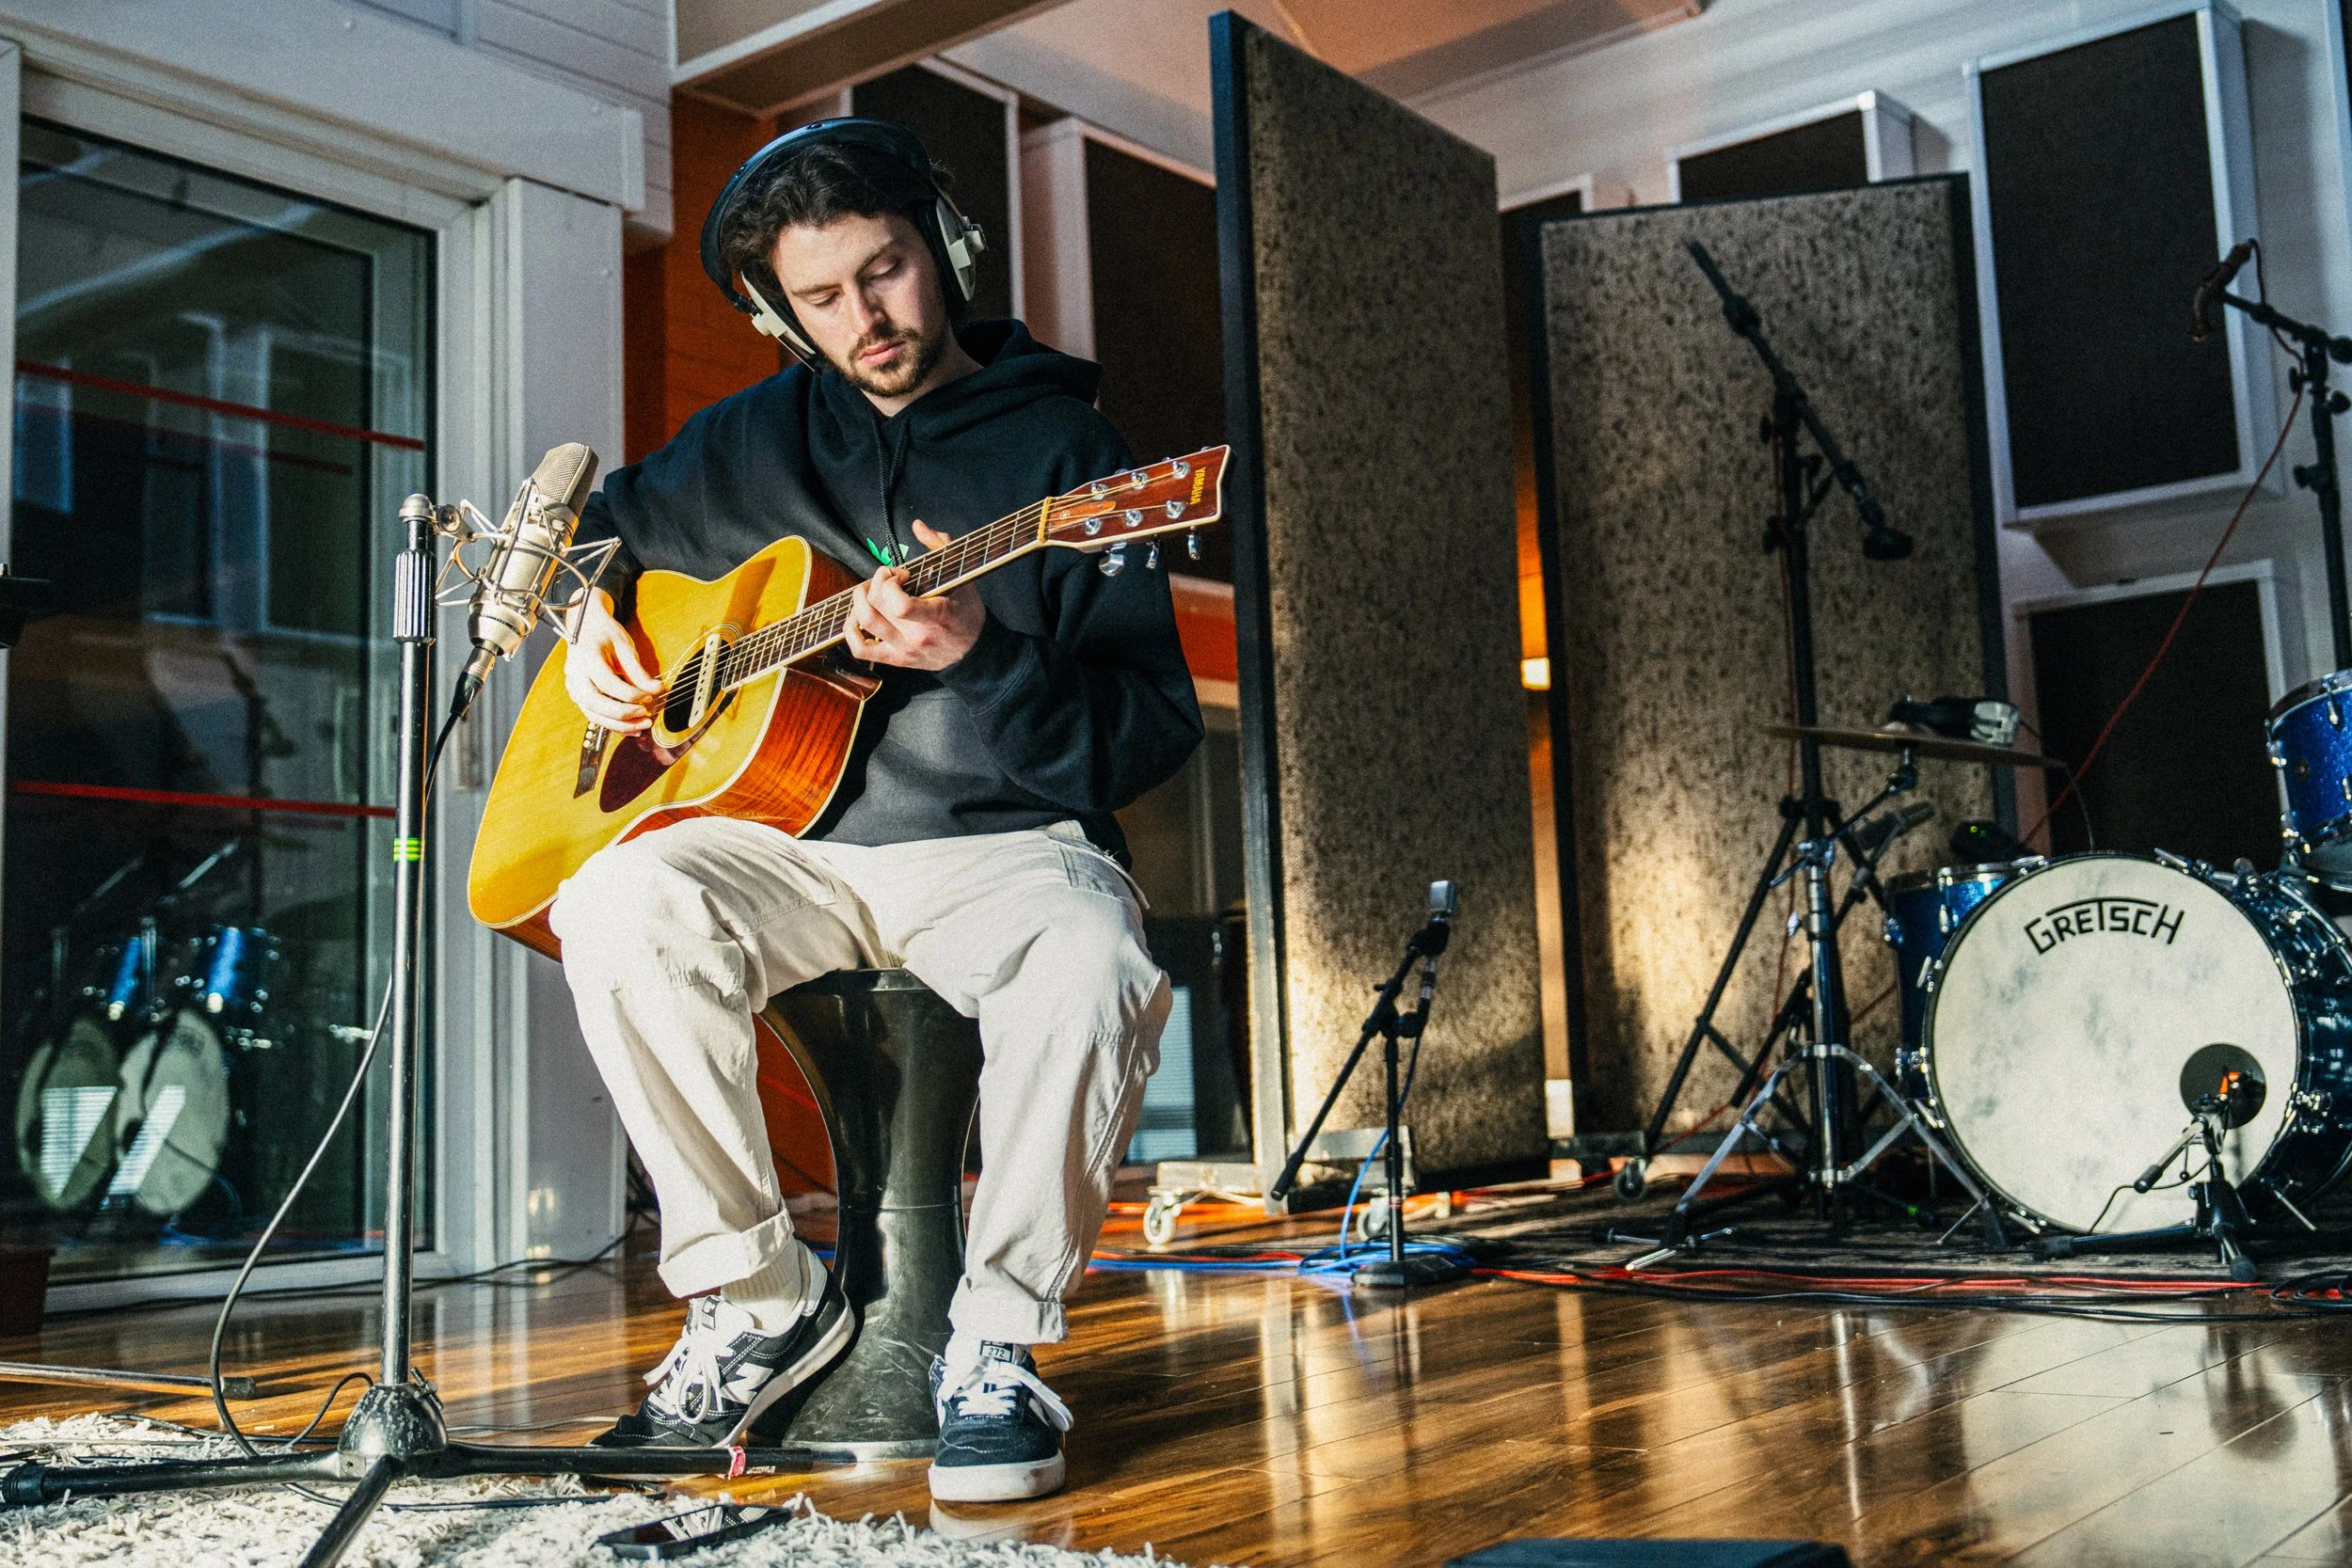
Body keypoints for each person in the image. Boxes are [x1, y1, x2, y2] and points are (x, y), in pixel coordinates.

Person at [549, 119, 1201, 1502]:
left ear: (944, 249)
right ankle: (751, 1298)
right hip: (789, 844)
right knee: (614, 896)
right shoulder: (746, 440)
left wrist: (985, 656)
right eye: (822, 296)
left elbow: (1148, 727)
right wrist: (586, 620)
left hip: (1002, 845)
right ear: (776, 313)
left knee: (1096, 962)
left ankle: (998, 1344)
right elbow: (599, 529)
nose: (867, 320)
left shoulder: (1070, 450)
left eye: (886, 271)